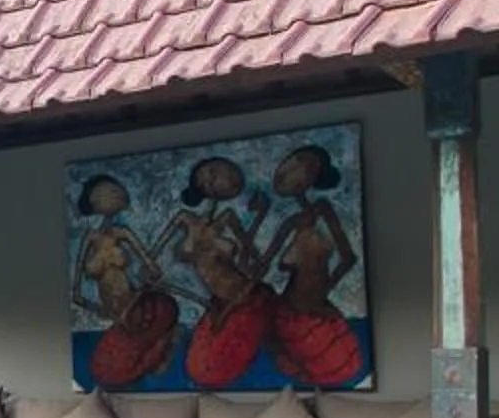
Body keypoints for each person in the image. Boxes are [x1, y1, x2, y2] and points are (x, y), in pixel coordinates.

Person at [154, 156, 273, 388]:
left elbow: (253, 258)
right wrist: (203, 302)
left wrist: (260, 215)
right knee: (200, 367)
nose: (213, 180)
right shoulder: (184, 218)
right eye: (208, 176)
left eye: (216, 173)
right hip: (219, 304)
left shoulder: (227, 217)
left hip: (245, 296)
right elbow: (151, 268)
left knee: (218, 366)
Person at [259, 141, 367, 387]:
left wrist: (320, 296)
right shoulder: (291, 223)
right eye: (289, 165)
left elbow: (348, 258)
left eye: (302, 167)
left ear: (313, 176)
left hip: (313, 309)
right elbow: (265, 264)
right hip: (292, 310)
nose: (289, 172)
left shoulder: (323, 210)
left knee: (338, 363)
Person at [75, 174, 179, 387]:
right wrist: (95, 308)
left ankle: (164, 341)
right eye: (107, 191)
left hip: (134, 305)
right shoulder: (90, 238)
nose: (116, 193)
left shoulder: (122, 233)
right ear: (93, 201)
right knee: (108, 371)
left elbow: (151, 267)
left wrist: (147, 277)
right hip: (115, 314)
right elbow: (76, 293)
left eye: (117, 189)